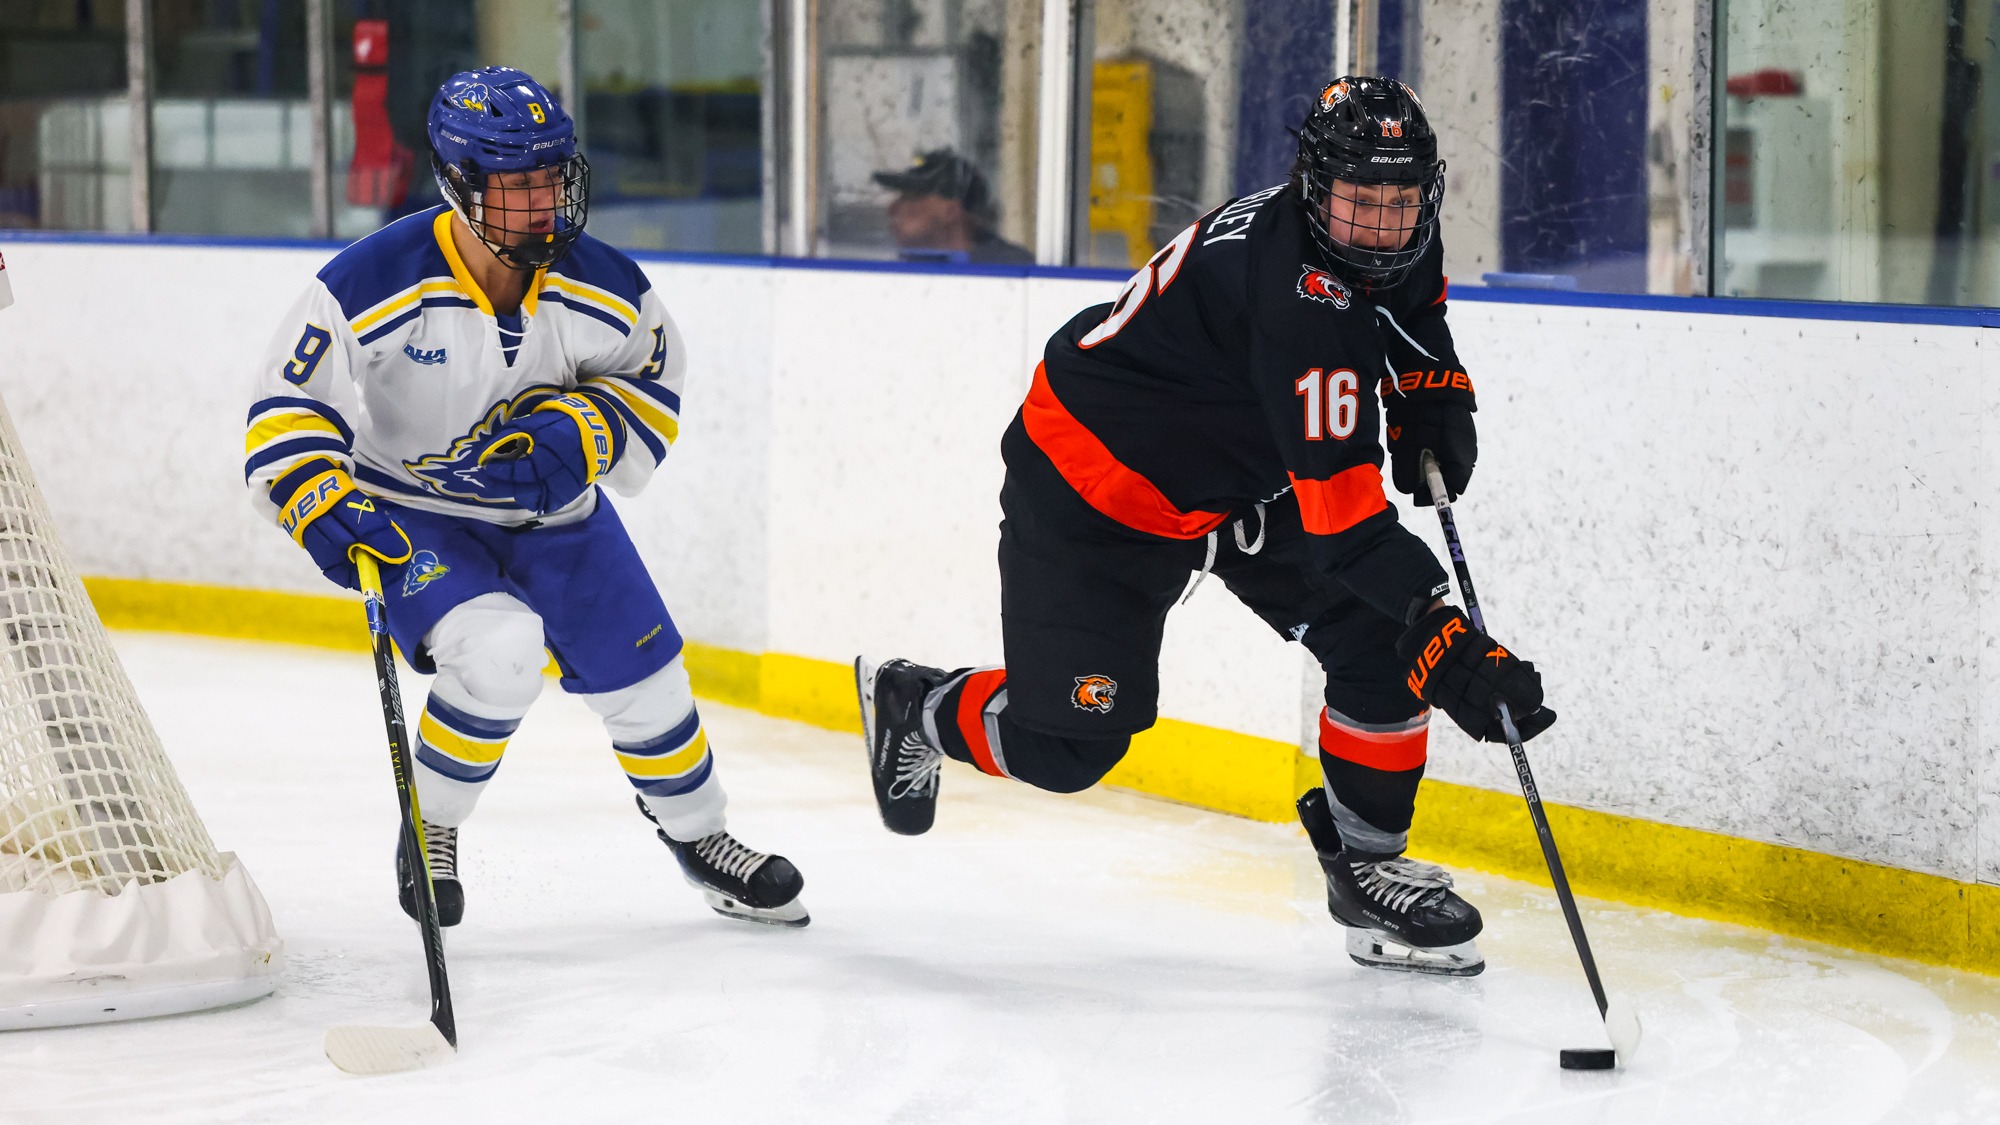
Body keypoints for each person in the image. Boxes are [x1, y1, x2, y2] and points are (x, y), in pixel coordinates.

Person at [854, 77, 1554, 975]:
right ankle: (920, 703)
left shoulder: (1382, 230)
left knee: (1379, 646)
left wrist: (1431, 389)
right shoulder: (1300, 300)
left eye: (1399, 200)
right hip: (1099, 487)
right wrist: (1445, 636)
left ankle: (1368, 877)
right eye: (1359, 202)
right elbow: (1346, 529)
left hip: (1244, 481)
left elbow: (1414, 312)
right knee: (1068, 747)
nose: (1381, 224)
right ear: (1312, 184)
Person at [246, 67, 807, 928]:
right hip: (417, 514)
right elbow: (288, 403)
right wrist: (315, 490)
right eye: (515, 183)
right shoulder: (371, 280)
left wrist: (589, 430)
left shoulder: (607, 283)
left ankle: (700, 838)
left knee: (651, 680)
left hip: (560, 520)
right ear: (459, 185)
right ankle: (429, 827)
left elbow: (654, 381)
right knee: (501, 654)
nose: (542, 200)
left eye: (551, 176)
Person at [874, 149, 1035, 265]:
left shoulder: (1009, 269)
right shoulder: (899, 269)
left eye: (912, 196)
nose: (892, 207)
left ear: (951, 211)